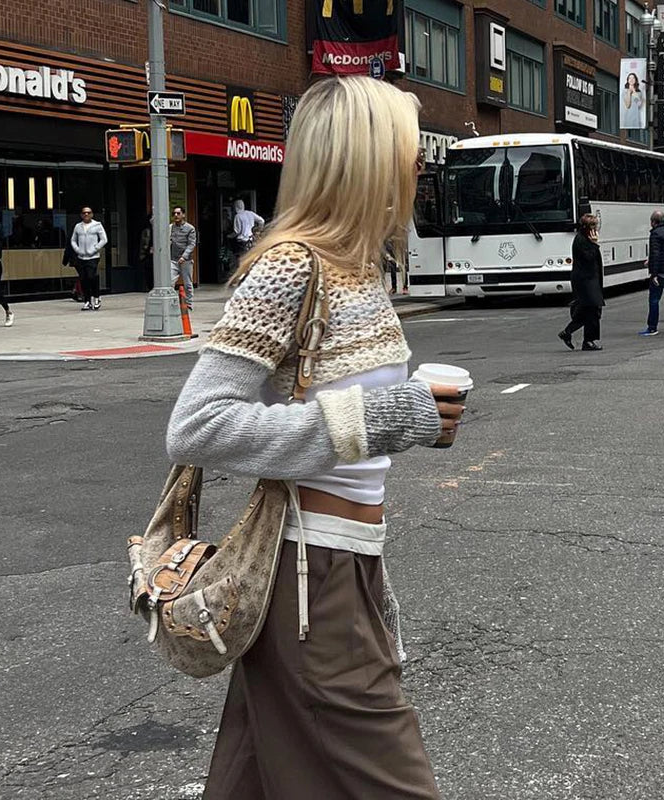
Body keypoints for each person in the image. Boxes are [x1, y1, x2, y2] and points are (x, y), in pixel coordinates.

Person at [166, 76, 463, 800]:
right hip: (311, 574)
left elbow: (350, 402)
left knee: (254, 776)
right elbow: (197, 426)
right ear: (362, 158)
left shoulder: (357, 270)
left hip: (346, 566)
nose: (418, 164)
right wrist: (395, 417)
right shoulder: (291, 266)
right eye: (405, 148)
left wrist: (417, 412)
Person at [558, 213, 604, 351]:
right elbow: (588, 258)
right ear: (587, 227)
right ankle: (588, 341)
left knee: (588, 310)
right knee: (592, 309)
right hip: (585, 280)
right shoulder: (582, 240)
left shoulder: (584, 238)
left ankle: (568, 332)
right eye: (594, 225)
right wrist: (595, 244)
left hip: (590, 279)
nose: (596, 228)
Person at [70, 206, 107, 311]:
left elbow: (104, 239)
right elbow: (73, 240)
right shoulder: (78, 226)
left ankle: (96, 297)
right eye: (84, 213)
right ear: (81, 215)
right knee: (83, 279)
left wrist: (95, 248)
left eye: (88, 212)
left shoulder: (97, 225)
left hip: (93, 256)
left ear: (92, 214)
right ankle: (87, 301)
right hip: (81, 257)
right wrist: (78, 250)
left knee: (91, 277)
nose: (86, 214)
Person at [170, 206, 197, 310]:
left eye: (178, 213)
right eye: (174, 214)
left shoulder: (190, 228)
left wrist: (184, 256)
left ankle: (189, 303)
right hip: (173, 258)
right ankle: (172, 302)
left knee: (187, 283)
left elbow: (191, 244)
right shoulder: (170, 227)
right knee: (170, 281)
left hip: (186, 260)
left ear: (183, 215)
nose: (176, 216)